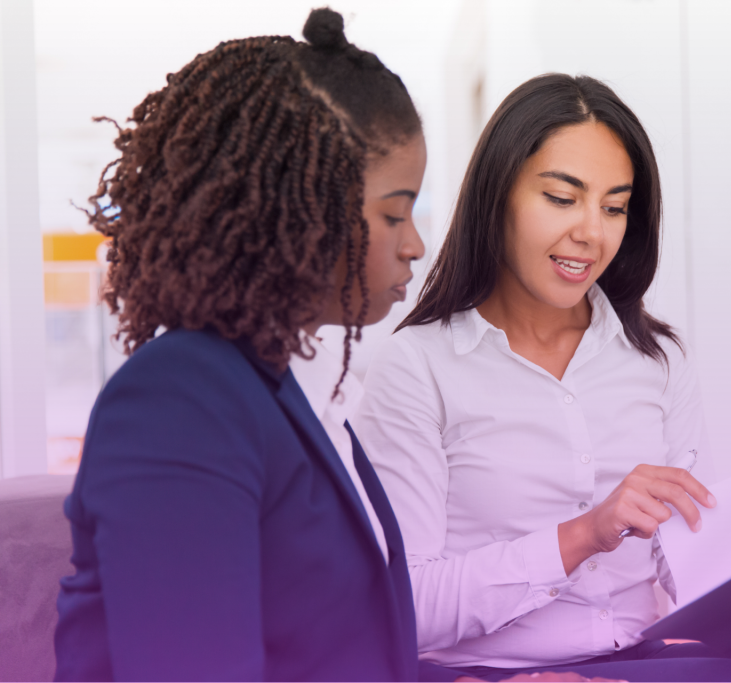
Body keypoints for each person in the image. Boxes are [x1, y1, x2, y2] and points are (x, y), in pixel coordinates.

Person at [353, 74, 731, 682]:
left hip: (634, 660)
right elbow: (404, 605)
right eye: (562, 198)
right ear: (495, 196)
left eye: (614, 207)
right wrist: (584, 534)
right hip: (491, 671)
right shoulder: (419, 366)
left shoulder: (654, 357)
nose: (592, 232)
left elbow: (690, 567)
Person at [53, 8, 443, 681]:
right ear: (303, 205)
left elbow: (339, 651)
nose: (415, 245)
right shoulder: (180, 398)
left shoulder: (276, 389)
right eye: (392, 213)